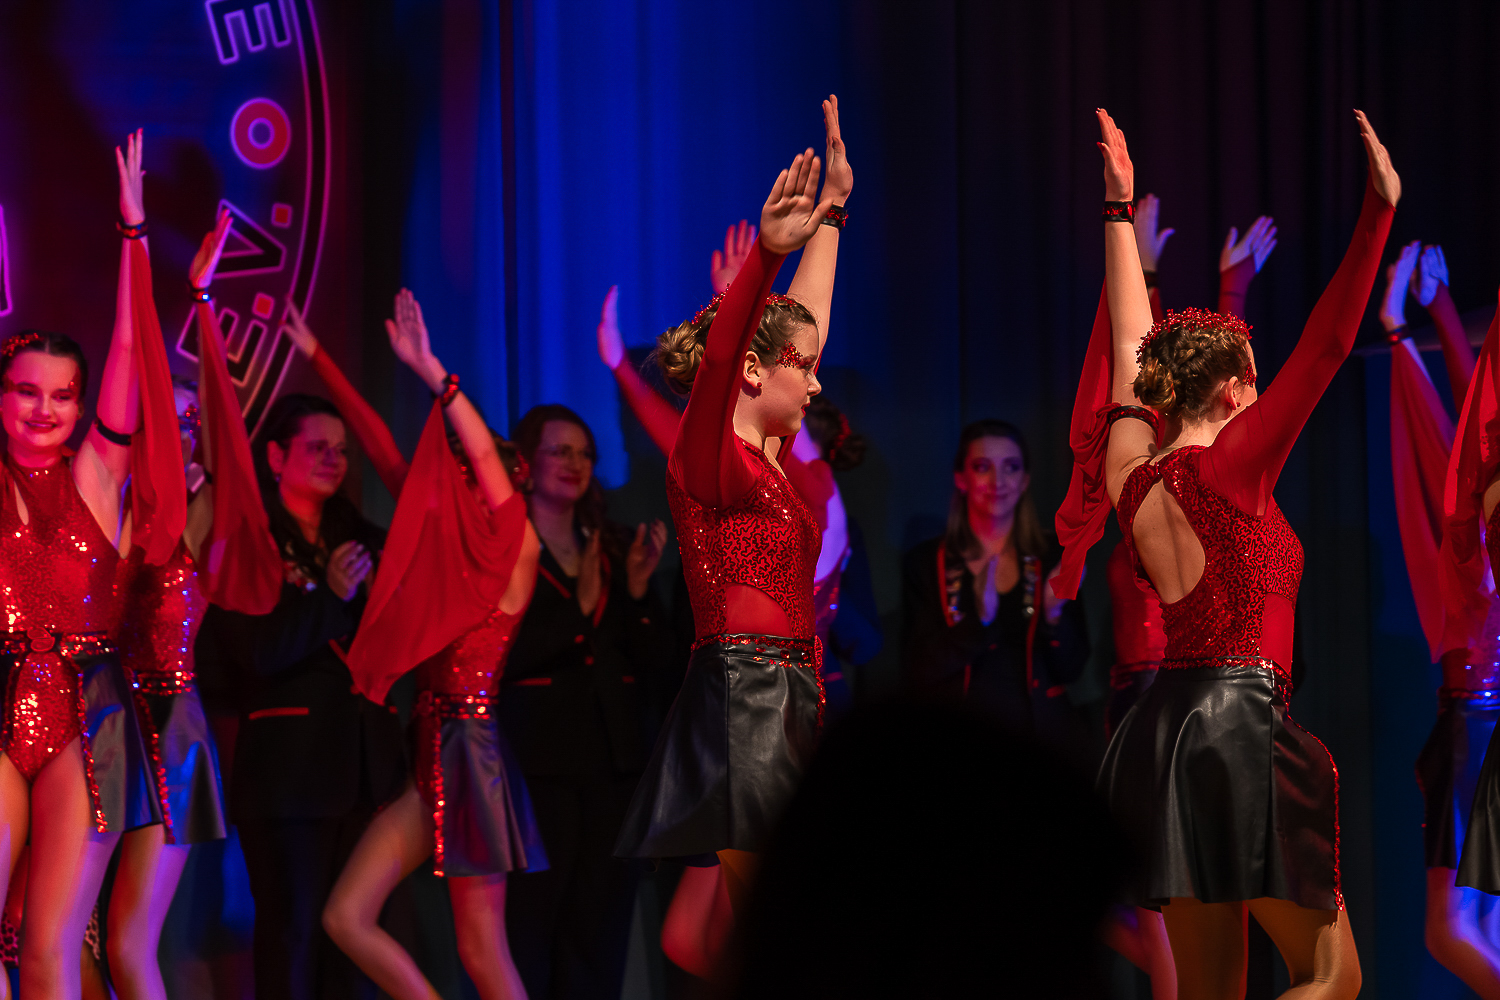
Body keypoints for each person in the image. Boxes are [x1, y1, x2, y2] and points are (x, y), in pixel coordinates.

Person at [1053, 108, 1396, 996]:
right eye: (1257, 373)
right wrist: (1377, 214)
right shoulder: (1236, 467)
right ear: (1240, 387)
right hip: (1241, 724)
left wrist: (1118, 212)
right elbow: (1328, 346)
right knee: (1333, 977)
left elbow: (1129, 348)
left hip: (1166, 732)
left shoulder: (1133, 472)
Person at [614, 95, 852, 920]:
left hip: (789, 689)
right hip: (743, 695)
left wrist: (833, 214)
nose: (815, 384)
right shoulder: (709, 457)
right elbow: (722, 357)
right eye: (802, 369)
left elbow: (805, 326)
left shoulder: (771, 459)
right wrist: (765, 257)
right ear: (755, 372)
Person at [312, 289, 542, 1000]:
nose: (445, 491)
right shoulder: (451, 564)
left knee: (482, 950)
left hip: (472, 754)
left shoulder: (517, 549)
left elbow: (485, 464)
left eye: (463, 478)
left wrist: (432, 372)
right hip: (434, 750)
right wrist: (318, 357)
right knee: (345, 916)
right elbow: (384, 452)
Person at [0, 130, 169, 999]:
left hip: (85, 715)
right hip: (1, 704)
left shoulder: (98, 477)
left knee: (48, 949)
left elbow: (133, 354)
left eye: (62, 395)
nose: (44, 410)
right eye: (26, 391)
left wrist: (133, 233)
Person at [197, 327, 407, 998]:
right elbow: (254, 656)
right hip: (287, 773)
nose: (333, 461)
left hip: (364, 767)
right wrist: (330, 599)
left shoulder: (363, 536)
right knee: (292, 935)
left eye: (341, 451)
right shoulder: (245, 539)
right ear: (276, 455)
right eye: (318, 448)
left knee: (352, 941)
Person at [106, 213, 283, 999]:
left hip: (170, 726)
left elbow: (223, 429)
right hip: (93, 719)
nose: (180, 432)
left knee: (128, 941)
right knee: (68, 931)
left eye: (189, 423)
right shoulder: (106, 503)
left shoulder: (207, 516)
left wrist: (202, 299)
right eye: (165, 418)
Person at [1378, 240, 1500, 995]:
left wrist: (1430, 314)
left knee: (1453, 927)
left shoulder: (1481, 536)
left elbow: (1470, 444)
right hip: (1476, 713)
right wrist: (1434, 310)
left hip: (1476, 717)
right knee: (1481, 924)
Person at [901, 419, 1089, 748]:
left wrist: (1053, 614)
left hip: (1039, 743)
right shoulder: (927, 561)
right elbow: (918, 672)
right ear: (961, 478)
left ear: (1025, 479)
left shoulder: (1052, 557)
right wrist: (978, 622)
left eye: (1011, 467)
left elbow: (1071, 670)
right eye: (982, 467)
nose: (997, 481)